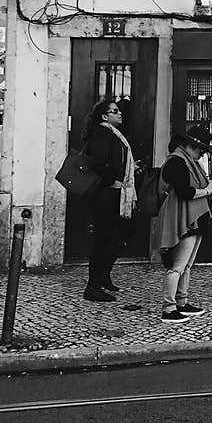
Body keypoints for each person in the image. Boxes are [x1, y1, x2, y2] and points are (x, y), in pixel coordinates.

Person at [156, 121, 212, 322]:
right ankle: (169, 308)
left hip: (192, 217)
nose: (201, 156)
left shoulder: (187, 161)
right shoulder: (177, 162)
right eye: (201, 151)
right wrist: (208, 190)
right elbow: (185, 192)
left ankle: (182, 302)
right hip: (182, 217)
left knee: (186, 265)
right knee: (178, 265)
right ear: (193, 147)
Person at [81, 99, 137, 302]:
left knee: (119, 233)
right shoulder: (103, 133)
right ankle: (93, 286)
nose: (119, 113)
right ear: (104, 116)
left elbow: (112, 160)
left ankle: (103, 275)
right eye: (114, 111)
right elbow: (96, 162)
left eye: (119, 110)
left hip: (114, 193)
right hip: (105, 194)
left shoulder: (113, 134)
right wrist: (112, 180)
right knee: (104, 239)